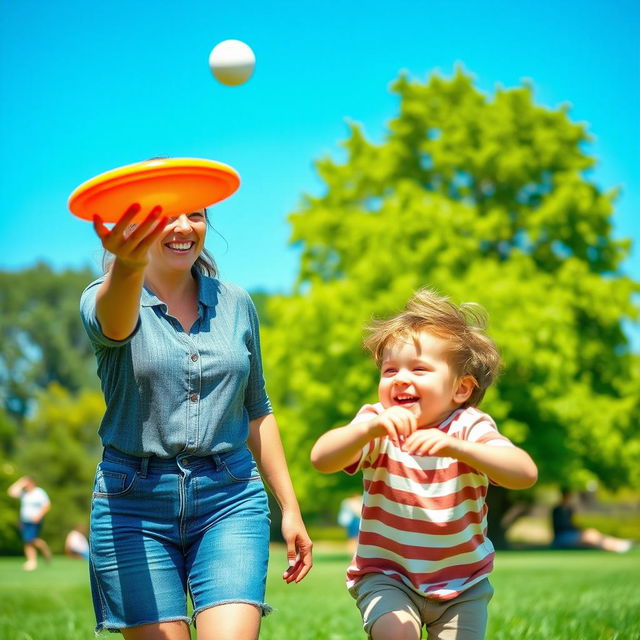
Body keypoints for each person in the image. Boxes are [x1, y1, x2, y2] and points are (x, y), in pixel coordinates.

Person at [81, 201, 313, 639]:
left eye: (195, 215)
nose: (182, 227)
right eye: (164, 216)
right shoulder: (104, 296)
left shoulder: (236, 304)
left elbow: (257, 409)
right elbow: (114, 324)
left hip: (230, 497)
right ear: (137, 226)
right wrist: (128, 266)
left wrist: (291, 509)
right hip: (132, 506)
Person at [310, 288, 538, 640]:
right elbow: (321, 458)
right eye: (389, 370)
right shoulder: (377, 422)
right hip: (388, 576)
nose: (401, 378)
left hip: (463, 584)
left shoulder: (469, 427)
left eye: (419, 369)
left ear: (461, 390)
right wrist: (365, 429)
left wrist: (459, 449)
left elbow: (524, 473)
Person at [551, 488, 632, 552]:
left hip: (570, 534)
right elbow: (562, 526)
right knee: (591, 536)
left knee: (593, 535)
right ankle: (615, 546)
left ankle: (615, 543)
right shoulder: (558, 510)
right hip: (562, 537)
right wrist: (578, 530)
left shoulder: (569, 509)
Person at [7, 476, 52, 571]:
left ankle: (32, 561)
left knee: (29, 540)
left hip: (35, 520)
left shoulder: (39, 492)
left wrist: (39, 516)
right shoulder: (24, 493)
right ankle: (36, 555)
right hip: (24, 520)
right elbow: (10, 492)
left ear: (32, 483)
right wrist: (20, 482)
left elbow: (47, 505)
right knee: (27, 540)